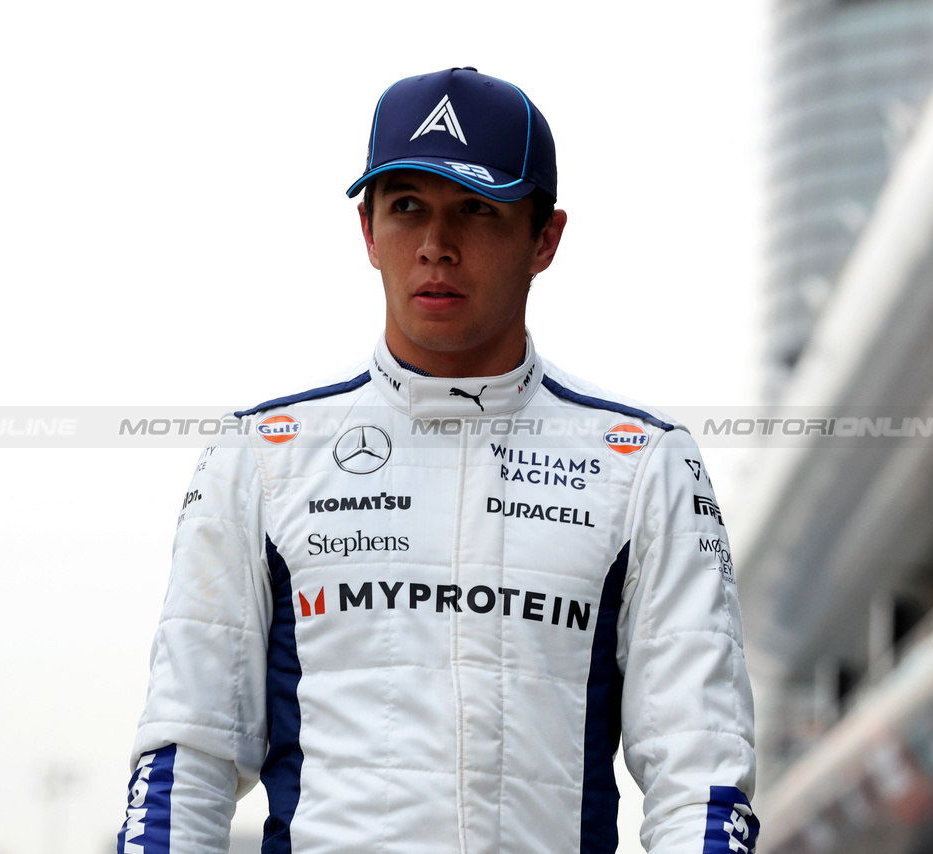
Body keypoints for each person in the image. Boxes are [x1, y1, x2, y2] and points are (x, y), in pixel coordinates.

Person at [118, 66, 758, 854]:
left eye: (476, 210)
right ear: (367, 231)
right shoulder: (261, 456)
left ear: (544, 239)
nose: (435, 246)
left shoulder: (643, 465)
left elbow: (702, 775)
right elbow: (187, 759)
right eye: (407, 206)